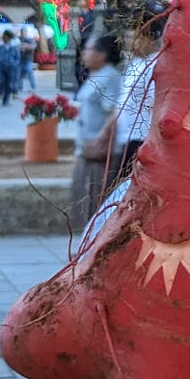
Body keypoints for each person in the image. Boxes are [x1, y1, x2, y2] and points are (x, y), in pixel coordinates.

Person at [70, 31, 125, 233]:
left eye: (89, 49)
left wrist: (101, 137)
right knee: (82, 195)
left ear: (102, 54)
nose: (84, 53)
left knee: (94, 197)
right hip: (87, 147)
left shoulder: (110, 77)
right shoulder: (95, 75)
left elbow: (114, 112)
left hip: (99, 150)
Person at [111, 4, 166, 181]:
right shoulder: (137, 63)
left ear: (148, 37)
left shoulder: (156, 66)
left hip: (142, 140)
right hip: (126, 139)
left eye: (133, 36)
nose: (128, 42)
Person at [0, 27, 22, 106]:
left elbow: (17, 58)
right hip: (0, 67)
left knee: (9, 84)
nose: (5, 38)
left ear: (9, 38)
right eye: (4, 36)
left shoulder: (14, 48)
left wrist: (14, 64)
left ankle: (6, 100)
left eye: (6, 37)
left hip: (11, 68)